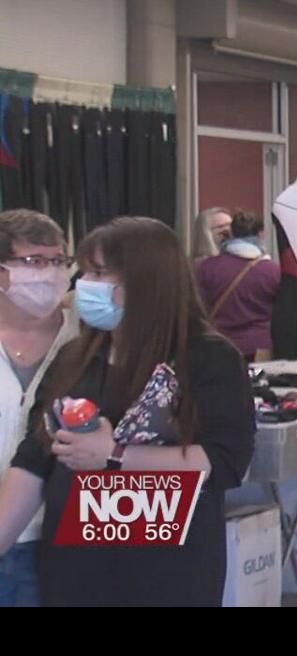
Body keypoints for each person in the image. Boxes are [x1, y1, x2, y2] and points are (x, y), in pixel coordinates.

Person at [0, 216, 256, 606]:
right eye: (86, 271)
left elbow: (225, 460)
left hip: (163, 572)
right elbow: (34, 459)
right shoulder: (77, 356)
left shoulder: (206, 357)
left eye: (100, 273)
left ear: (144, 283)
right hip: (74, 570)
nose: (84, 284)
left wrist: (117, 455)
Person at [0, 210, 79, 607]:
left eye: (59, 261)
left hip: (66, 537)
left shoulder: (86, 337)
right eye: (34, 262)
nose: (50, 273)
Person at [195, 212, 281, 363]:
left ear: (232, 234)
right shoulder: (273, 271)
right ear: (261, 234)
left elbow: (197, 308)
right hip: (259, 349)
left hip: (219, 347)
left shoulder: (206, 268)